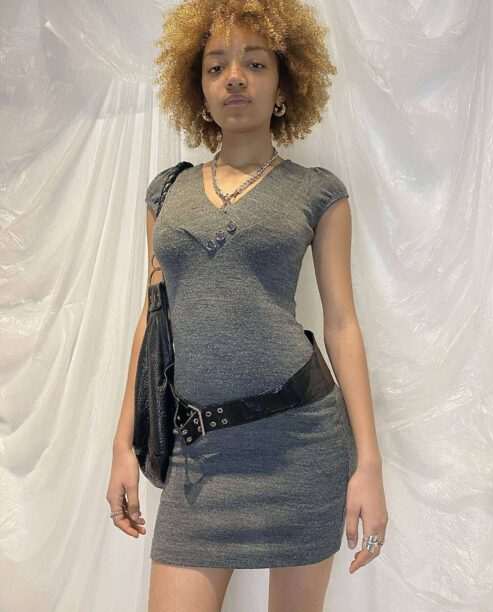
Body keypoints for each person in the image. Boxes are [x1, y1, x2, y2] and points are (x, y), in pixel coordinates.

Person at [106, 1, 388, 611]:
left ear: (284, 85)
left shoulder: (317, 192)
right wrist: (123, 446)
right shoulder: (166, 194)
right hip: (199, 455)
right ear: (199, 89)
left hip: (300, 441)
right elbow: (153, 322)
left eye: (255, 64)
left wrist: (368, 464)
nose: (234, 78)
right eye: (216, 66)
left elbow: (342, 324)